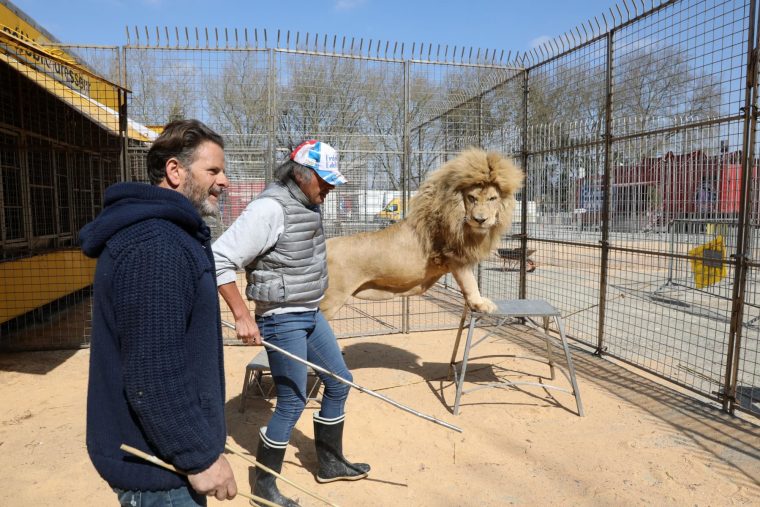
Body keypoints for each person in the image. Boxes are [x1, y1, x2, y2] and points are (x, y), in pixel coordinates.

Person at [80, 119, 238, 506]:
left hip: (167, 459)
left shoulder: (170, 234)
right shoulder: (157, 244)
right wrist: (199, 457)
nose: (225, 182)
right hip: (160, 472)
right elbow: (153, 372)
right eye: (213, 170)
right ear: (174, 170)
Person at [213, 140, 370, 507]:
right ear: (302, 174)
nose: (330, 188)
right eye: (325, 180)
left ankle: (329, 463)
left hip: (310, 313)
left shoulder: (309, 202)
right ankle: (264, 487)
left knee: (339, 380)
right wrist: (241, 315)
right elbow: (219, 259)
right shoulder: (269, 209)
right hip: (282, 318)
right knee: (292, 402)